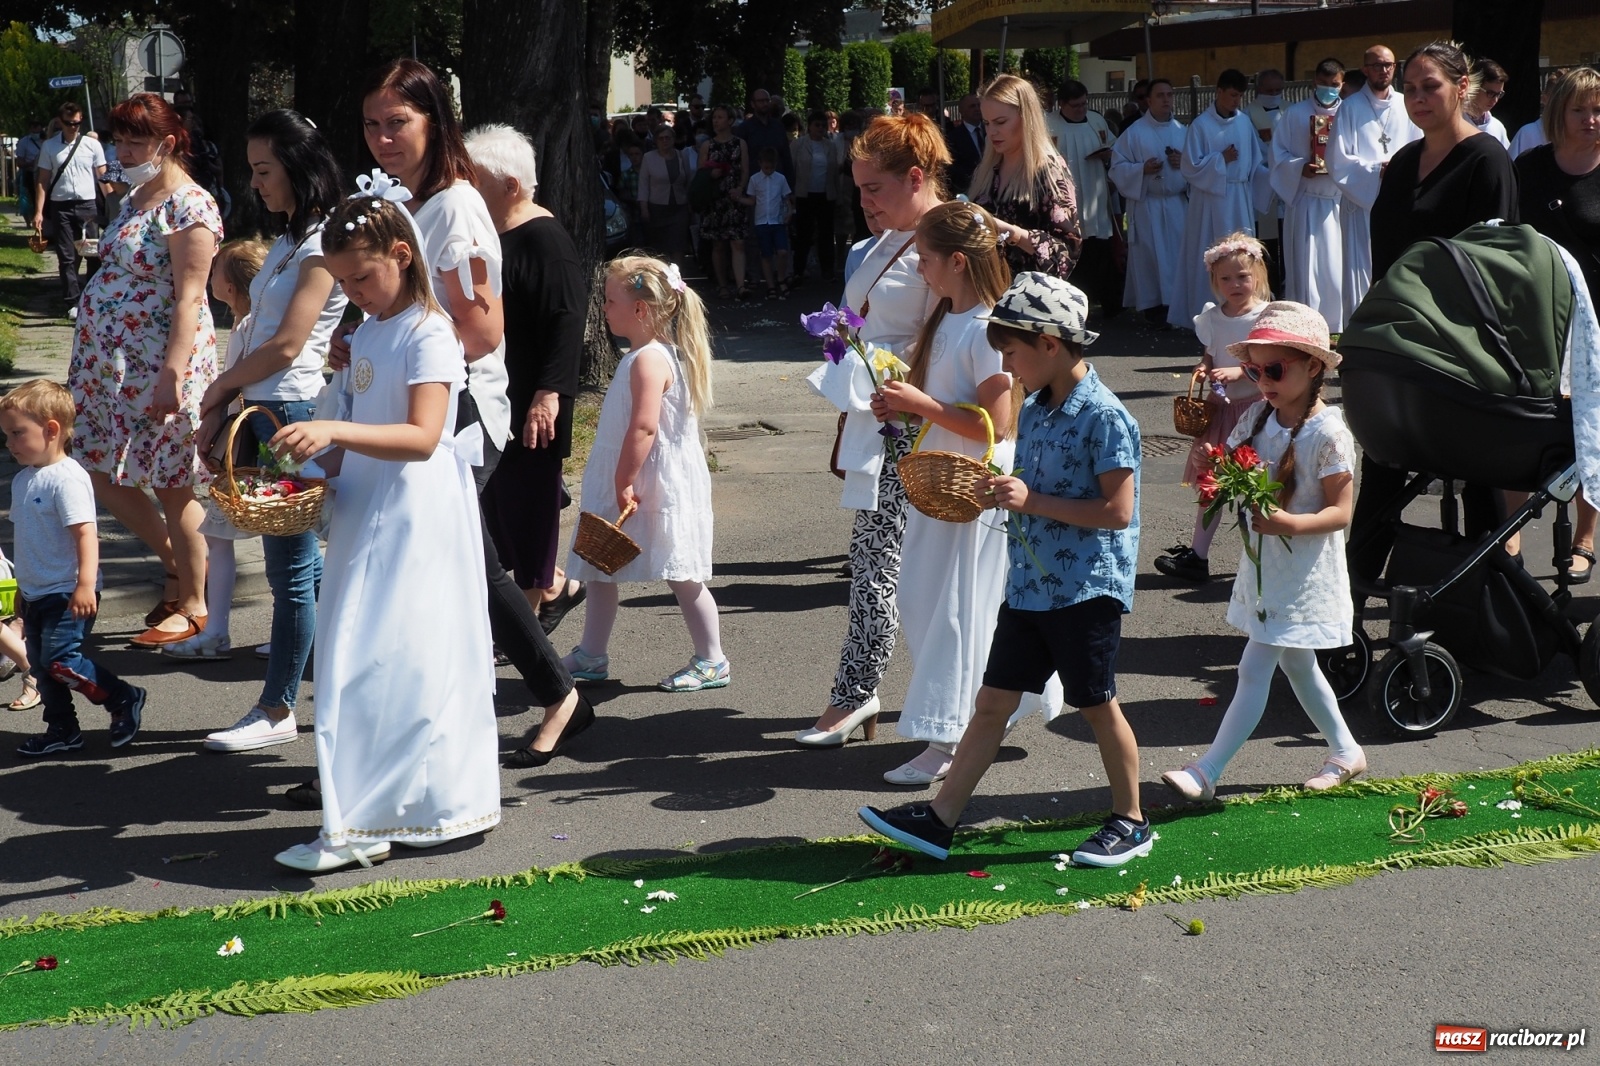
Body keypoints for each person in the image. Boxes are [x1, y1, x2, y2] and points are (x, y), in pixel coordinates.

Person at [856, 273, 1151, 867]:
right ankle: (940, 818)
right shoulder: (1039, 408)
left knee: (1097, 704)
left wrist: (1030, 501)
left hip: (1084, 589)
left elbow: (1118, 512)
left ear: (1050, 343)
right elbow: (1032, 489)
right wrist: (1004, 492)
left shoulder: (1106, 416)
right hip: (1030, 587)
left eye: (1013, 353)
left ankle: (1133, 820)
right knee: (991, 704)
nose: (1010, 368)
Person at [352, 58, 586, 784]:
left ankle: (397, 738)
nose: (383, 138)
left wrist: (393, 336)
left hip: (457, 413)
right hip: (420, 401)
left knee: (430, 565)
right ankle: (547, 698)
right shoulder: (412, 201)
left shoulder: (453, 205)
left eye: (398, 123)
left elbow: (481, 332)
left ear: (435, 123)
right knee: (468, 566)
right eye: (372, 125)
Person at [268, 190, 500, 874]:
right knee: (367, 659)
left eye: (362, 278)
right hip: (367, 505)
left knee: (381, 658)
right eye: (342, 283)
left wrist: (335, 428)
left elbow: (424, 434)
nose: (354, 294)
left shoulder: (429, 330)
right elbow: (359, 435)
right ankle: (372, 811)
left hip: (412, 513)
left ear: (403, 254)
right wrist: (309, 461)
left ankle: (373, 817)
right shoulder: (368, 332)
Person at [861, 201, 1046, 784]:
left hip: (976, 478)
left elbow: (1000, 421)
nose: (919, 269)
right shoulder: (946, 320)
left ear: (959, 263)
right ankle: (989, 709)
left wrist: (922, 406)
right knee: (926, 595)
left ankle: (949, 734)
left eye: (925, 259)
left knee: (958, 605)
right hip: (944, 476)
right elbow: (947, 407)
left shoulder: (986, 330)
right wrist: (900, 404)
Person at [192, 110, 350, 755]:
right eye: (252, 170)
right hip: (268, 410)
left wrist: (222, 390)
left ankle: (278, 704)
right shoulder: (291, 240)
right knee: (301, 569)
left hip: (292, 412)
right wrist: (227, 402)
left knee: (293, 571)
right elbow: (261, 334)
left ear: (299, 166)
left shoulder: (318, 245)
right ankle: (305, 690)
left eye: (264, 170)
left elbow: (287, 345)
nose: (255, 183)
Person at [1163, 302, 1366, 799]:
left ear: (1313, 365)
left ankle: (1207, 771)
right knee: (1298, 664)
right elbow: (1231, 462)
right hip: (1268, 564)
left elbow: (1342, 512)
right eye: (1254, 369)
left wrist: (1289, 521)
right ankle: (1346, 750)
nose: (1263, 380)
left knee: (1255, 666)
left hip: (1302, 569)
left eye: (1274, 369)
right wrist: (1219, 472)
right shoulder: (1258, 415)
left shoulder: (1328, 432)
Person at [798, 113, 945, 748]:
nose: (862, 202)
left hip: (928, 425)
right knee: (875, 559)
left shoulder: (952, 238)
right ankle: (859, 693)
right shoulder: (873, 245)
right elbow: (857, 330)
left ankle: (868, 695)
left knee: (922, 570)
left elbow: (969, 341)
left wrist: (915, 395)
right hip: (877, 420)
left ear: (917, 178)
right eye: (857, 188)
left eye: (874, 189)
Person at [1350, 39, 1520, 586]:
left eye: (1431, 86)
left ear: (1461, 88)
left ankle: (1488, 600)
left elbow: (1496, 266)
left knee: (1477, 476)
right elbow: (1386, 257)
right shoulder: (1402, 163)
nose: (1418, 97)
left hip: (1464, 346)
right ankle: (1348, 596)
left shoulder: (1486, 159)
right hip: (1401, 340)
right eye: (1411, 87)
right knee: (1380, 463)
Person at [68, 93, 220, 649]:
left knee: (173, 480)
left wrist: (172, 375)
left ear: (169, 143)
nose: (124, 149)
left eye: (136, 140)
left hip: (158, 365)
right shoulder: (136, 198)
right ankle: (177, 567)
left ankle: (198, 602)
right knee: (100, 469)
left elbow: (190, 298)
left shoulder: (190, 205)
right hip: (111, 369)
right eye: (121, 139)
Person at [561, 256, 726, 693]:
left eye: (610, 300)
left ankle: (712, 658)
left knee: (682, 570)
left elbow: (645, 426)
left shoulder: (649, 361)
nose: (604, 309)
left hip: (648, 480)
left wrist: (623, 479)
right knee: (599, 567)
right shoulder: (647, 355)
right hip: (640, 473)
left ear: (640, 310)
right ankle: (591, 654)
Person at [465, 124, 589, 633]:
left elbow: (568, 320)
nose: (467, 189)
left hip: (535, 402)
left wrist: (548, 394)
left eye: (475, 180)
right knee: (499, 507)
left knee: (530, 509)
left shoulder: (544, 239)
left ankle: (529, 616)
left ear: (509, 185)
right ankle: (558, 585)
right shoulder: (496, 234)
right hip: (499, 395)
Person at [3, 381, 148, 757]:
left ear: (51, 430)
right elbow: (30, 540)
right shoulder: (23, 480)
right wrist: (22, 586)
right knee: (41, 665)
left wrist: (86, 584)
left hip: (67, 591)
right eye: (7, 435)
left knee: (58, 660)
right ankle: (62, 729)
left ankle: (123, 697)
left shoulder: (67, 478)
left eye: (17, 433)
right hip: (36, 592)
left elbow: (86, 534)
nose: (9, 443)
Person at [1515, 66, 1600, 582]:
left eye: (1598, 110)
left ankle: (1584, 538)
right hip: (1537, 317)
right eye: (1580, 109)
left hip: (1599, 324)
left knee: (1594, 428)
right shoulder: (1529, 168)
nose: (1591, 120)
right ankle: (1510, 536)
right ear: (1558, 113)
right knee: (1519, 423)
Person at [167, 239, 268, 665]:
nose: (210, 279)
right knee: (222, 535)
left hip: (244, 445)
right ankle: (222, 628)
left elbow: (235, 384)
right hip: (245, 440)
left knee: (228, 537)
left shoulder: (249, 328)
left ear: (232, 284)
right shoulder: (250, 323)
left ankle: (219, 631)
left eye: (216, 272)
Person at [1156, 233, 1272, 584]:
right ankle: (1198, 556)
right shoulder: (1213, 317)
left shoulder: (1263, 317)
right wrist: (1204, 366)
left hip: (1254, 409)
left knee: (1255, 485)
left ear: (1258, 277)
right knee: (1213, 485)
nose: (1235, 284)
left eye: (1243, 276)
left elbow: (1269, 363)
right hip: (1220, 410)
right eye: (1226, 278)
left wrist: (1241, 370)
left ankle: (1261, 558)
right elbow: (1211, 351)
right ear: (1214, 281)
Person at [1168, 69, 1269, 329]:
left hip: (1239, 195)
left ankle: (1244, 309)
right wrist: (1220, 160)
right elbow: (1190, 168)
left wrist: (1273, 176)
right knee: (1212, 251)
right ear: (1219, 92)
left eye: (1240, 96)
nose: (1236, 101)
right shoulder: (1201, 125)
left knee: (1243, 252)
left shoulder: (1244, 122)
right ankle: (1206, 314)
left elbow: (1256, 160)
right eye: (1232, 95)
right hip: (1210, 201)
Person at [1328, 45, 1420, 327]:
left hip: (1401, 201)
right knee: (1361, 271)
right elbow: (1337, 160)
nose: (1384, 70)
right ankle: (1361, 333)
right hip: (1361, 205)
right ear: (1365, 69)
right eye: (1377, 65)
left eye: (1389, 65)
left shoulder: (1407, 105)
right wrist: (1375, 170)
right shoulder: (1350, 108)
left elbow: (1421, 148)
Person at [970, 74, 1083, 279]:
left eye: (1000, 122)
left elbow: (1067, 252)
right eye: (986, 123)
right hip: (987, 293)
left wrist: (1013, 233)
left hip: (1029, 299)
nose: (991, 132)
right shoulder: (986, 170)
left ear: (1027, 118)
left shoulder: (1049, 171)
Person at [1270, 59, 1348, 332]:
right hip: (1306, 200)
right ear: (1314, 81)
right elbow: (1277, 155)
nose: (1329, 89)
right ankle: (1304, 326)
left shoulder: (1349, 114)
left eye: (1335, 85)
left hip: (1339, 203)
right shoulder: (1294, 114)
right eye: (1324, 84)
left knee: (1337, 270)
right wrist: (1299, 168)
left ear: (1343, 84)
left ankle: (1337, 325)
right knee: (1307, 268)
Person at [1109, 78, 1188, 328]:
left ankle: (1177, 306)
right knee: (1151, 255)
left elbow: (1200, 167)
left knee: (1176, 255)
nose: (1166, 100)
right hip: (1148, 204)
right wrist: (1140, 169)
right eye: (1161, 95)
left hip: (1176, 204)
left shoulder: (1183, 131)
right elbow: (1117, 168)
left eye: (1170, 94)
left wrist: (1183, 163)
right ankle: (1154, 308)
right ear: (1149, 100)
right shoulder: (1134, 133)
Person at [1051, 80, 1123, 319]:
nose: (1082, 109)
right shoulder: (1048, 124)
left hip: (1095, 191)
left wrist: (1108, 155)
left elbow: (1114, 146)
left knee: (1100, 247)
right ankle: (1076, 304)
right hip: (1065, 196)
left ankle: (1111, 304)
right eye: (1075, 106)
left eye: (1084, 103)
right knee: (1073, 247)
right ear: (1061, 104)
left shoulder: (1096, 121)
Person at [32, 101, 108, 316]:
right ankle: (72, 302)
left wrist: (113, 203)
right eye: (69, 123)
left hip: (87, 205)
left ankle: (93, 297)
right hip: (61, 205)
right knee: (67, 255)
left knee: (92, 253)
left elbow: (102, 176)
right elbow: (42, 181)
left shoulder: (92, 145)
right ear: (60, 122)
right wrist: (38, 212)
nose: (74, 127)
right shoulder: (50, 146)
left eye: (77, 123)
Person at [700, 104, 752, 300]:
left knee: (738, 242)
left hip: (734, 198)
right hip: (715, 201)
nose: (716, 121)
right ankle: (722, 285)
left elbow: (745, 169)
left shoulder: (740, 144)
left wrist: (740, 188)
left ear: (730, 120)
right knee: (718, 244)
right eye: (714, 117)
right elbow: (700, 175)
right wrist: (709, 174)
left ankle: (740, 286)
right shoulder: (707, 146)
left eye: (720, 117)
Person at [790, 111, 843, 285]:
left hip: (825, 195)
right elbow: (792, 170)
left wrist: (837, 194)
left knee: (826, 234)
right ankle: (798, 270)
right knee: (803, 234)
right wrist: (790, 194)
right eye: (817, 125)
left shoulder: (830, 146)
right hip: (804, 194)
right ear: (810, 126)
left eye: (822, 125)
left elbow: (835, 172)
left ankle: (827, 270)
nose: (820, 128)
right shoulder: (798, 144)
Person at [1246, 69, 1287, 292]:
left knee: (1288, 240)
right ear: (1258, 90)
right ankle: (1268, 289)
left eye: (1278, 90)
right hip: (1262, 184)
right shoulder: (1245, 117)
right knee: (1267, 241)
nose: (1273, 94)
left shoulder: (1291, 113)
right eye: (1268, 90)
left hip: (1288, 185)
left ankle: (1288, 286)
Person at [743, 146, 793, 299]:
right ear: (760, 164)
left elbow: (787, 198)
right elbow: (752, 200)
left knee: (783, 252)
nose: (769, 170)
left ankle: (781, 278)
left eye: (771, 167)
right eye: (766, 167)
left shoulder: (780, 179)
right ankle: (771, 285)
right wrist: (739, 198)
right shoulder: (754, 179)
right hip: (761, 222)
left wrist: (790, 212)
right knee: (766, 255)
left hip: (777, 221)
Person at [637, 124, 690, 265]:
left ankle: (678, 278)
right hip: (657, 208)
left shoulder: (681, 156)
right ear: (656, 141)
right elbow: (643, 185)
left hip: (679, 207)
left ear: (673, 139)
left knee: (678, 245)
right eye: (661, 138)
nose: (665, 141)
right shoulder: (648, 158)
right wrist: (644, 208)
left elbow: (688, 180)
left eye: (668, 138)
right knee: (659, 247)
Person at [737, 88, 793, 186]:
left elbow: (786, 157)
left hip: (777, 182)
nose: (765, 104)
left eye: (767, 100)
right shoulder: (744, 128)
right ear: (753, 104)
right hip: (754, 183)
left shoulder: (778, 126)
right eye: (761, 101)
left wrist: (790, 185)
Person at [1510, 69, 1569, 159]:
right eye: (1555, 99)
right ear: (1544, 99)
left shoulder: (1576, 133)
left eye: (1567, 100)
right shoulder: (1527, 133)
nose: (1561, 105)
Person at [944, 93, 985, 197]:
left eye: (978, 105)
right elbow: (953, 169)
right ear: (961, 111)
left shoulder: (990, 130)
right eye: (972, 106)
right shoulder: (953, 138)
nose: (977, 109)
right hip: (969, 191)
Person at [1467, 58, 1512, 150]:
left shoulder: (1498, 128)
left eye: (1499, 94)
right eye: (1490, 93)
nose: (1495, 100)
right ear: (1474, 87)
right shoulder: (1454, 123)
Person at [16, 118, 43, 221]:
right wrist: (31, 163)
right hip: (30, 173)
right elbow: (20, 162)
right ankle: (32, 218)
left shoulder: (46, 141)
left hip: (44, 172)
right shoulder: (24, 142)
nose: (36, 133)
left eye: (38, 131)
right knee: (31, 196)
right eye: (33, 130)